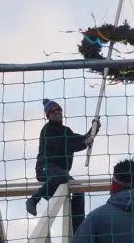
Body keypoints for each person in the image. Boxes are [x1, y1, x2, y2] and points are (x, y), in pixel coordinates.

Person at [25, 99, 101, 231]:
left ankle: (78, 229)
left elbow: (77, 140)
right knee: (62, 175)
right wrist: (84, 142)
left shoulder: (66, 131)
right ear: (48, 116)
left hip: (60, 174)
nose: (56, 112)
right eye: (52, 111)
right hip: (45, 168)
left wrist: (94, 130)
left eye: (58, 109)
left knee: (78, 189)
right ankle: (33, 200)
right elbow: (65, 143)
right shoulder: (47, 130)